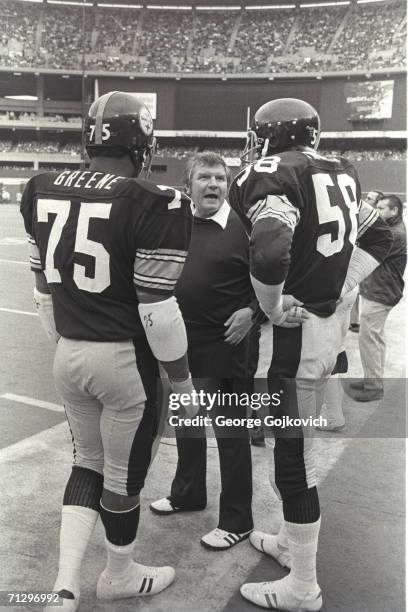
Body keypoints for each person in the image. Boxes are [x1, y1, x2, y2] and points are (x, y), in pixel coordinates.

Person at [20, 91, 194, 612]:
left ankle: (63, 588)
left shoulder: (38, 186)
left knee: (85, 463)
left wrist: (69, 343)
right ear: (141, 142)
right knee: (122, 479)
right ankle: (117, 574)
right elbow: (157, 311)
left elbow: (41, 292)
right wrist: (182, 382)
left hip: (68, 354)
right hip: (123, 361)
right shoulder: (155, 199)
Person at [229, 98, 392, 611]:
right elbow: (385, 233)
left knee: (293, 461)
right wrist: (341, 284)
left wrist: (273, 306)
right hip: (325, 332)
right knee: (295, 449)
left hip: (294, 339)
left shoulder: (269, 172)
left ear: (267, 137)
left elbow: (272, 247)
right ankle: (287, 541)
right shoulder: (343, 171)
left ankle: (303, 586)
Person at [150, 151, 308, 550]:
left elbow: (276, 276)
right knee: (186, 421)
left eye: (221, 178)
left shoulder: (244, 227)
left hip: (230, 348)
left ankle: (237, 519)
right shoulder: (176, 224)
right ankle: (188, 493)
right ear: (189, 185)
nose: (214, 185)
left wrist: (253, 313)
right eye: (205, 177)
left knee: (231, 435)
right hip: (183, 346)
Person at [351, 194, 406, 401]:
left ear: (394, 211)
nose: (378, 211)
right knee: (376, 338)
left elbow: (365, 250)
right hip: (380, 290)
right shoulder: (392, 229)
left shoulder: (393, 234)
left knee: (369, 339)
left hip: (381, 292)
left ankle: (373, 386)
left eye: (382, 208)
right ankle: (372, 379)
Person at [349, 189, 383, 332]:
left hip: (367, 261)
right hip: (355, 256)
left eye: (370, 199)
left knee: (358, 289)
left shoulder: (378, 224)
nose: (366, 200)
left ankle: (357, 320)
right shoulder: (360, 215)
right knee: (354, 289)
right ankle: (354, 320)